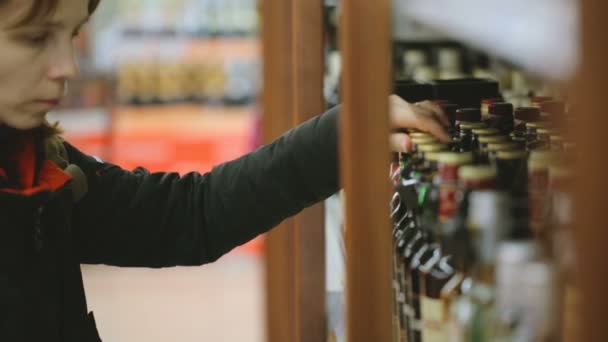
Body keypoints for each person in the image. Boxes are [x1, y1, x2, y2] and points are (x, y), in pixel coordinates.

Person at [0, 0, 450, 341]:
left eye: (73, 34)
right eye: (36, 37)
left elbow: (189, 214)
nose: (68, 68)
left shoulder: (41, 164)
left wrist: (345, 135)